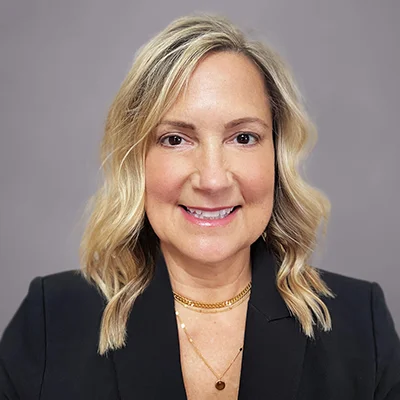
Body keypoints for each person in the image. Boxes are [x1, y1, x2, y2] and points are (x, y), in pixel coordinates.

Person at [1, 14, 399, 400]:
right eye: (175, 139)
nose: (212, 179)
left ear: (277, 156)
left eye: (243, 137)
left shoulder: (361, 324)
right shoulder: (51, 320)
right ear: (135, 158)